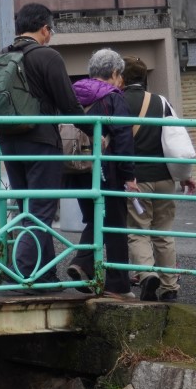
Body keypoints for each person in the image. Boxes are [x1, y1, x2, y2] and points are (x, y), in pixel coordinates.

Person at [0, 3, 87, 289]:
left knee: (29, 209)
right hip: (40, 143)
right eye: (51, 29)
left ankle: (45, 274)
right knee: (40, 211)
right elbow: (69, 105)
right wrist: (99, 131)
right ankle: (22, 274)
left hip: (9, 144)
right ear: (44, 28)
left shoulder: (2, 57)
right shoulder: (47, 56)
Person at [62, 49, 138, 300]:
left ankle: (84, 268)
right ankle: (118, 285)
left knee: (95, 219)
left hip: (75, 168)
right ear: (115, 73)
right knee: (115, 223)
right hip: (105, 169)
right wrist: (129, 175)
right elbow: (123, 136)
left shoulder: (72, 93)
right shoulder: (112, 97)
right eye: (120, 76)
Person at [120, 56, 195, 302]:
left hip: (135, 179)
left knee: (138, 231)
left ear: (121, 76)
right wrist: (185, 176)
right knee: (163, 233)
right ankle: (170, 285)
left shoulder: (117, 102)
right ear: (144, 77)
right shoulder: (161, 102)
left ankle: (146, 274)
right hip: (164, 177)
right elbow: (176, 140)